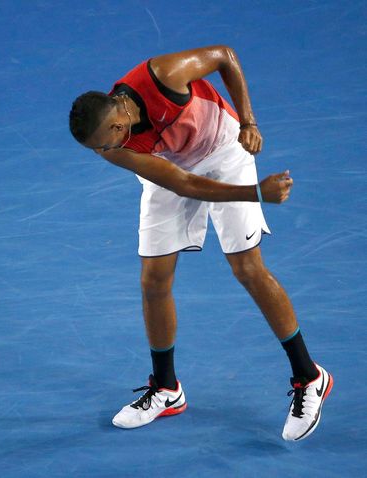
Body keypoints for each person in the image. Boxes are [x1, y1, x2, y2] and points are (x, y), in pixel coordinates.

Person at [68, 45, 332, 441]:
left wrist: (249, 121)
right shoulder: (112, 149)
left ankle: (310, 376)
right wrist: (257, 193)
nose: (105, 152)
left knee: (248, 269)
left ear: (119, 116)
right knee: (153, 281)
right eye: (98, 148)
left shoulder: (162, 75)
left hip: (224, 151)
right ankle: (167, 388)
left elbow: (225, 56)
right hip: (173, 167)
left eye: (106, 141)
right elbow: (184, 184)